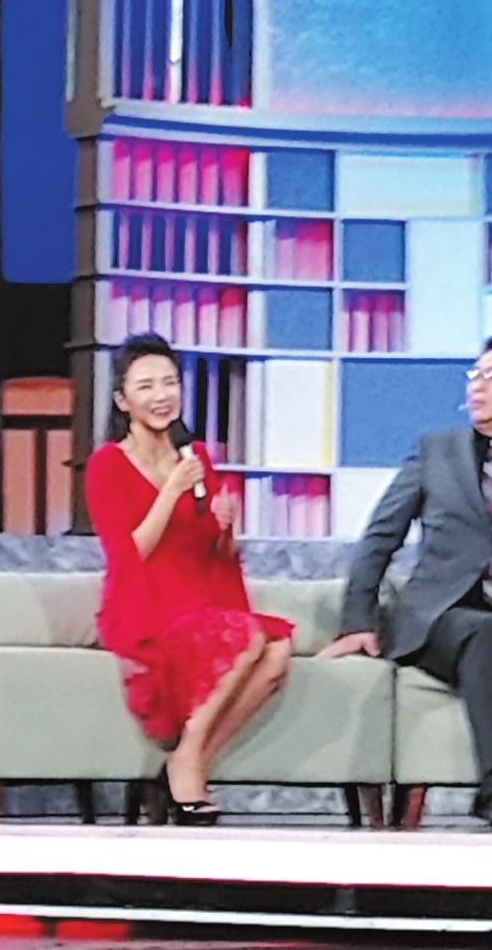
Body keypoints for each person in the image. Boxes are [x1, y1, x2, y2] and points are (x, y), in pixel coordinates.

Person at [323, 334, 492, 831]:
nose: (477, 387)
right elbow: (381, 537)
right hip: (437, 619)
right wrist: (357, 620)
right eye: (475, 376)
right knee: (479, 630)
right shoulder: (435, 450)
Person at [86, 334, 293, 826]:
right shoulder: (106, 464)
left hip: (199, 597)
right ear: (122, 400)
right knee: (248, 637)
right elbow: (127, 553)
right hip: (146, 604)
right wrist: (170, 492)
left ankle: (186, 760)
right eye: (146, 386)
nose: (162, 395)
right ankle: (186, 768)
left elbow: (214, 551)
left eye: (170, 382)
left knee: (279, 650)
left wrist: (225, 526)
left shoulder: (193, 453)